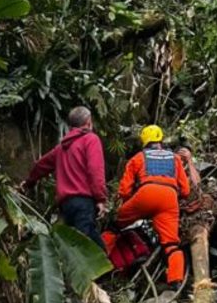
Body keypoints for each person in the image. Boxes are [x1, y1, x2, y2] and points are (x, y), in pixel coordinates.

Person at [22, 106, 108, 248]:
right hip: (83, 202)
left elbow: (41, 165)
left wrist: (28, 182)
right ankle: (107, 269)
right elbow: (95, 170)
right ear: (88, 122)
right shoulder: (90, 139)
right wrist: (100, 199)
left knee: (79, 246)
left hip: (66, 205)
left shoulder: (62, 147)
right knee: (86, 248)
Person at [117, 125, 191, 287]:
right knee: (171, 243)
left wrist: (128, 204)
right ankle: (176, 280)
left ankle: (106, 261)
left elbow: (124, 190)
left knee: (115, 224)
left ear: (144, 141)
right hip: (169, 198)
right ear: (161, 140)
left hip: (146, 194)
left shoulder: (138, 158)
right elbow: (185, 190)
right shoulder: (175, 158)